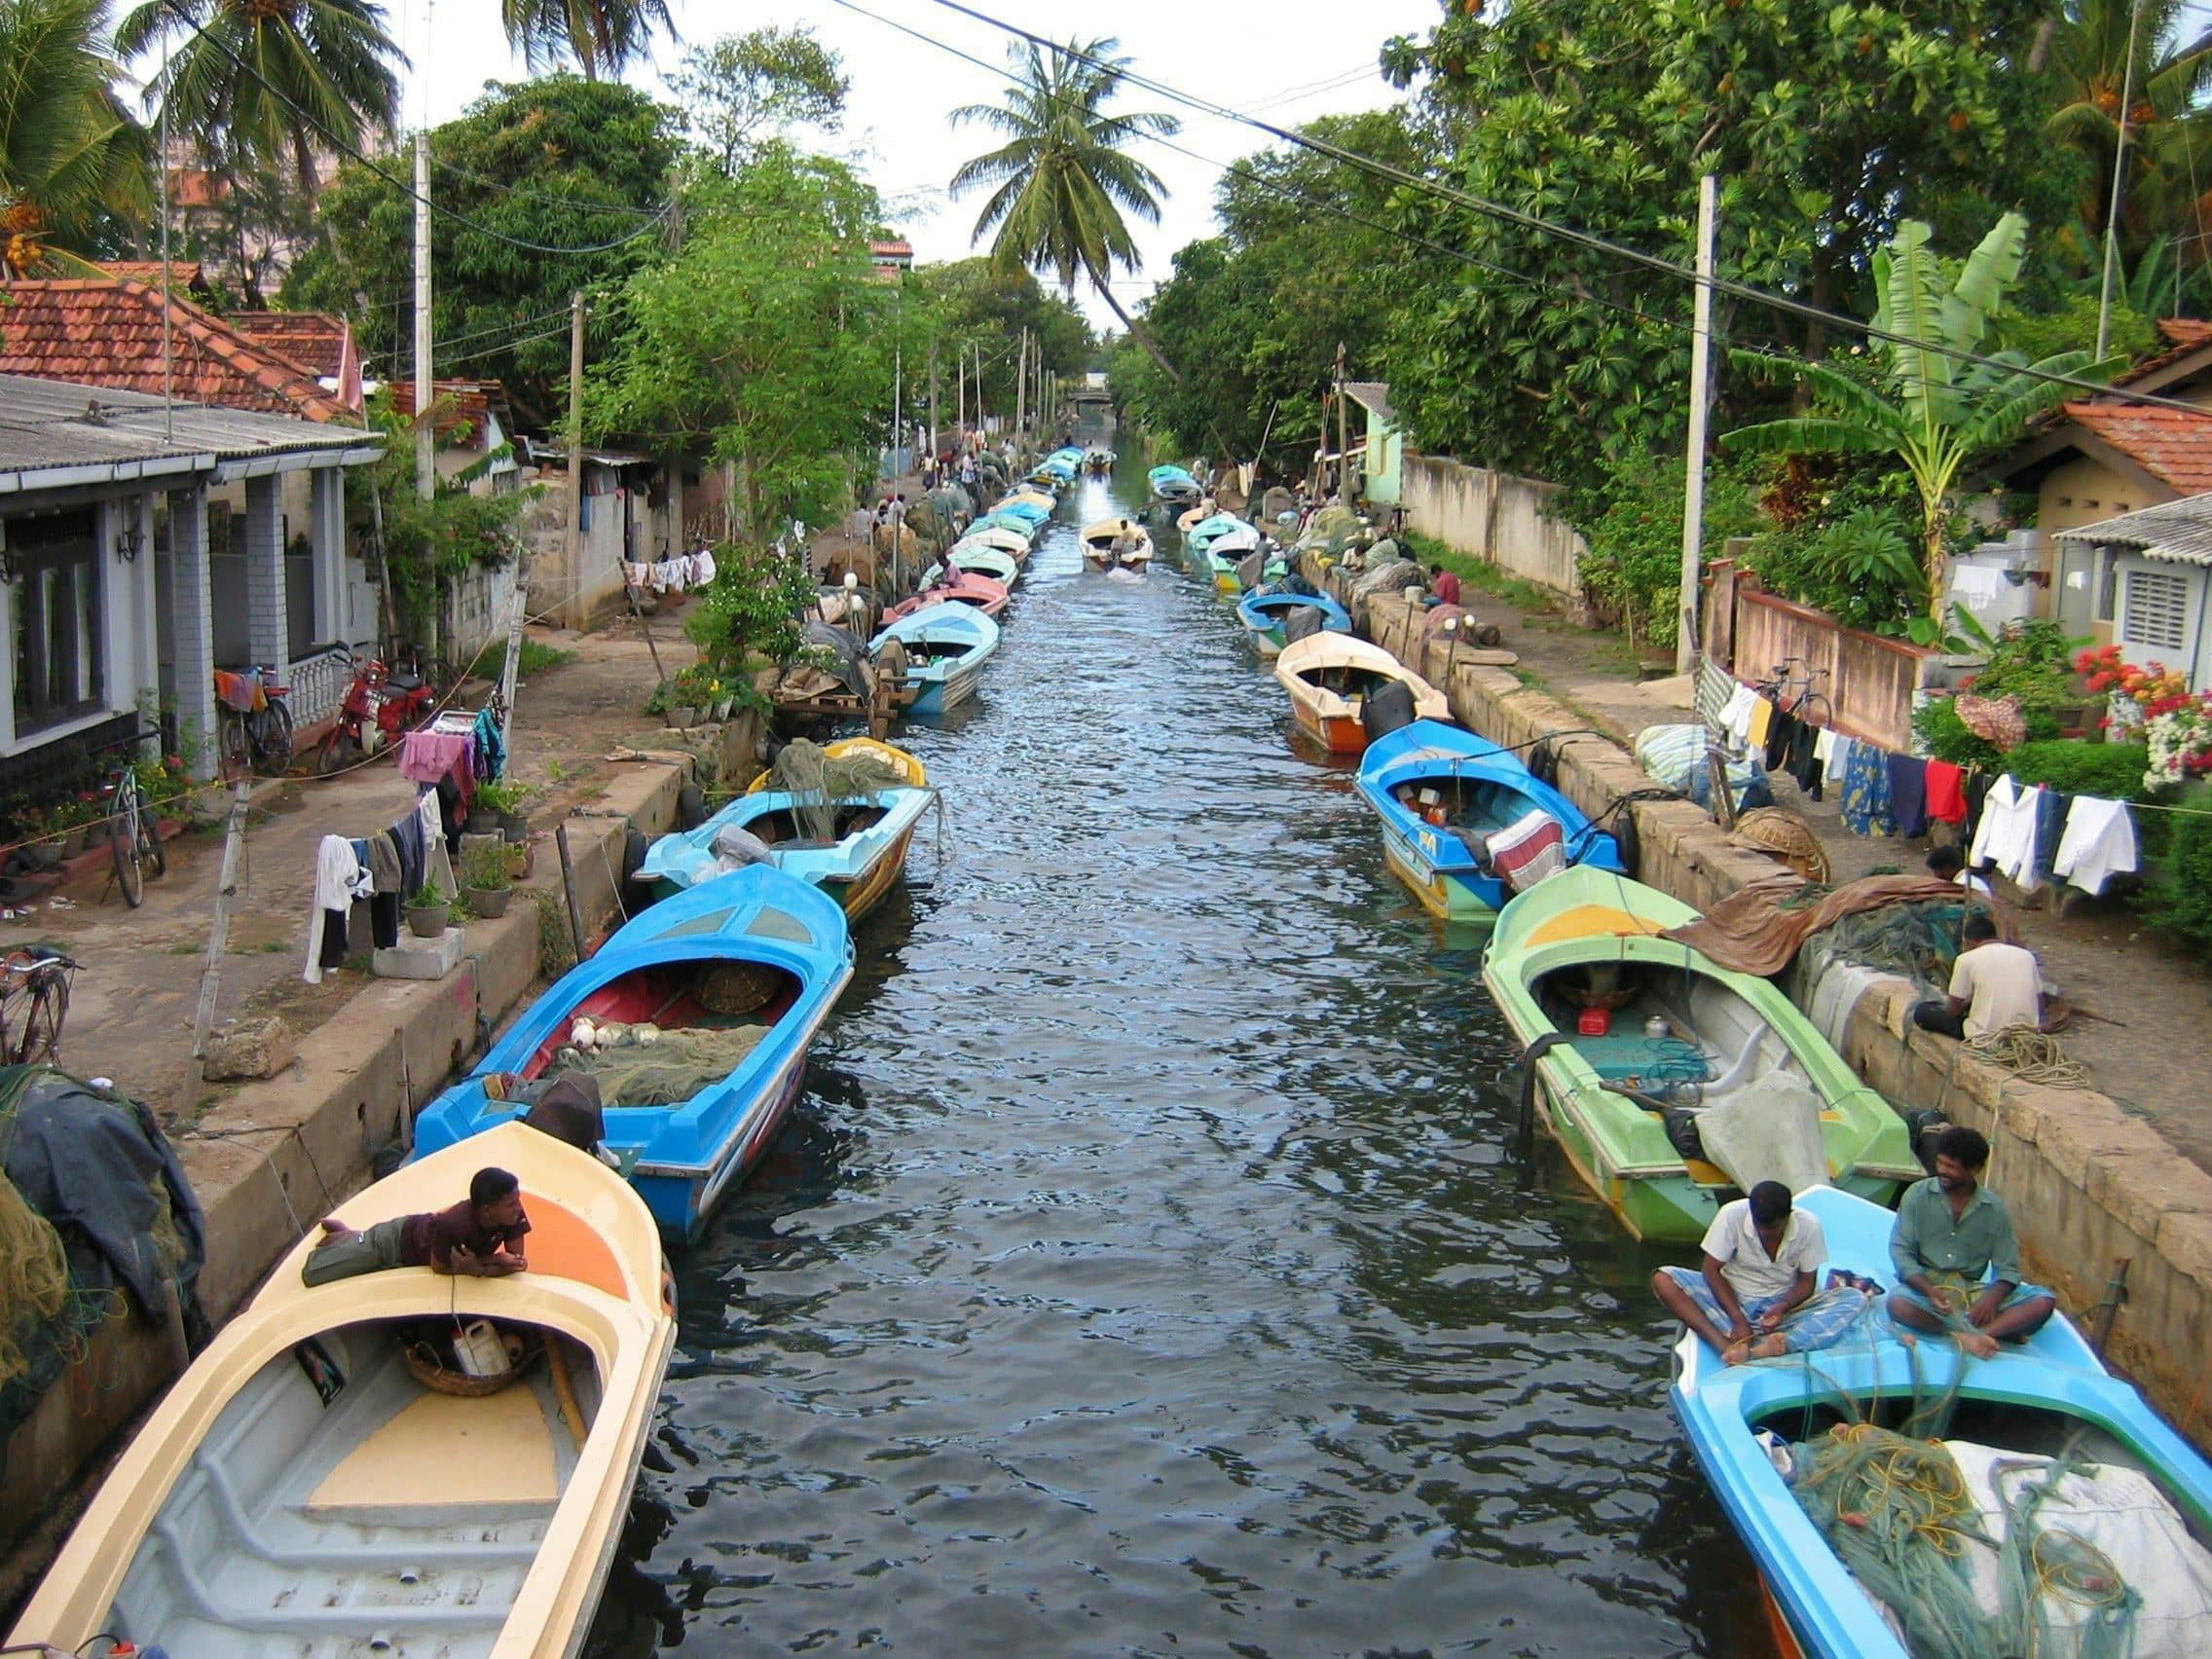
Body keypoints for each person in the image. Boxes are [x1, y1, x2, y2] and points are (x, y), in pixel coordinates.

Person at [1888, 1126, 2055, 1360]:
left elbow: (2007, 1267)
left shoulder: (1993, 1209)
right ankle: (1971, 1335)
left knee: (2043, 1301)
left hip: (1972, 1291)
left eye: (1951, 1167)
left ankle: (1977, 1335)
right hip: (1928, 1288)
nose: (1942, 1171)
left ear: (1973, 1170)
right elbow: (1901, 1252)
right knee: (1898, 1304)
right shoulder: (1917, 1195)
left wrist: (1990, 1301)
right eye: (1940, 1164)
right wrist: (1930, 1291)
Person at [1650, 1182, 1860, 1364]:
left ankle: (1781, 1344)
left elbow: (1807, 1281)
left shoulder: (1809, 1226)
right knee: (1663, 1279)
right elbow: (1710, 1270)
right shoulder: (1731, 1215)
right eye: (1760, 1227)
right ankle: (1726, 1347)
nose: (1764, 1234)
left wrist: (1782, 1307)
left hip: (1780, 1308)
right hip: (1731, 1300)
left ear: (1789, 1216)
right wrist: (1738, 1319)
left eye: (1773, 1229)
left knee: (1853, 1298)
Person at [302, 1166, 531, 1286]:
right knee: (314, 1272)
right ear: (487, 1210)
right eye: (511, 1204)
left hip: (427, 1244)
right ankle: (349, 1238)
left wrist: (482, 1265)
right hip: (395, 1243)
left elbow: (518, 1263)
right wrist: (484, 1265)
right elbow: (439, 1267)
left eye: (517, 1200)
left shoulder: (511, 1216)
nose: (518, 1208)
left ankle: (351, 1238)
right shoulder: (453, 1225)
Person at [1911, 912, 2041, 1040]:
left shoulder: (1965, 959)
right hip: (2026, 1031)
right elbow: (2039, 999)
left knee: (1923, 1011)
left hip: (1985, 1033)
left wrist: (1965, 1004)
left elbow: (1953, 1011)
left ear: (1970, 942)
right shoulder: (2027, 956)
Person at [1927, 843, 1993, 897]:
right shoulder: (1971, 877)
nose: (1935, 876)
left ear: (1946, 868)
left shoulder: (1960, 885)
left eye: (1936, 871)